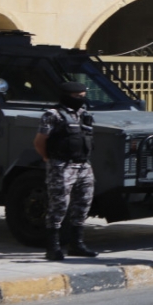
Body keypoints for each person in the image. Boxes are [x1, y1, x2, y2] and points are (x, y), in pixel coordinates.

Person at [32, 82, 98, 260]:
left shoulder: (84, 114)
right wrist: (48, 158)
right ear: (66, 96)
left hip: (83, 165)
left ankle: (77, 244)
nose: (81, 100)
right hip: (62, 166)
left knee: (83, 204)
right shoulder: (52, 115)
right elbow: (39, 142)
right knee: (59, 206)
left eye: (83, 96)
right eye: (77, 97)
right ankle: (53, 247)